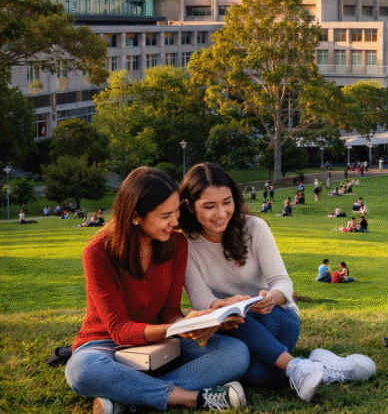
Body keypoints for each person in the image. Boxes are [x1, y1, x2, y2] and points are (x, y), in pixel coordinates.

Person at [178, 163, 376, 402]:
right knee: (260, 374)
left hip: (277, 319)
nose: (221, 213)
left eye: (227, 202)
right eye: (209, 207)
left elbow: (282, 281)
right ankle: (312, 367)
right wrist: (227, 304)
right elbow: (201, 301)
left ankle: (295, 366)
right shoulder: (184, 244)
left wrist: (273, 297)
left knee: (243, 324)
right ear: (189, 207)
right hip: (230, 328)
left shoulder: (254, 228)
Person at [64, 166, 250, 412]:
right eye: (165, 216)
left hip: (161, 341)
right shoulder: (97, 253)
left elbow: (169, 311)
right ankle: (191, 398)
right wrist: (176, 328)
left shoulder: (176, 244)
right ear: (135, 216)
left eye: (176, 212)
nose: (175, 222)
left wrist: (191, 324)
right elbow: (120, 330)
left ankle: (126, 398)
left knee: (235, 352)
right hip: (103, 343)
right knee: (82, 370)